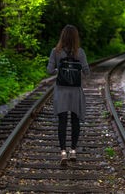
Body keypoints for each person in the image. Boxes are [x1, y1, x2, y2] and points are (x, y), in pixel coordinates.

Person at [47, 24, 90, 165]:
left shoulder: (56, 51)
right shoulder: (80, 52)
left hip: (61, 90)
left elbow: (49, 71)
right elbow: (87, 72)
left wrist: (59, 70)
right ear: (76, 38)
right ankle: (73, 150)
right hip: (75, 90)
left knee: (62, 121)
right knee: (75, 120)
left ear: (62, 36)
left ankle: (63, 152)